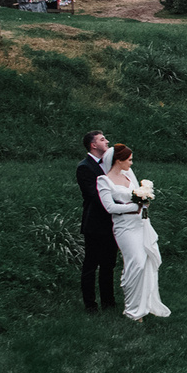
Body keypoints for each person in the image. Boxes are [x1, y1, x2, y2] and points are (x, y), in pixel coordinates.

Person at [98, 142, 170, 322]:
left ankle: (143, 306)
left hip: (140, 224)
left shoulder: (129, 177)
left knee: (145, 261)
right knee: (135, 262)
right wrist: (133, 206)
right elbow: (109, 207)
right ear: (118, 160)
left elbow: (139, 198)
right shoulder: (104, 180)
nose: (131, 163)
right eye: (129, 160)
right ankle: (131, 309)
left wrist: (144, 202)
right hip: (124, 227)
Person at [76, 129, 117, 313]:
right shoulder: (84, 167)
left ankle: (109, 303)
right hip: (94, 224)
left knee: (109, 265)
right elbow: (95, 195)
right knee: (91, 266)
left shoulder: (109, 165)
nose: (107, 141)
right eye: (102, 139)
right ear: (93, 145)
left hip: (111, 222)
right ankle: (90, 305)